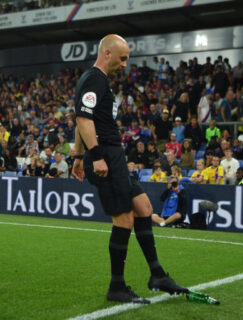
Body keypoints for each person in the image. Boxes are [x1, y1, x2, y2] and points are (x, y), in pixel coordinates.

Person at [71, 34, 187, 304]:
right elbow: (82, 118)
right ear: (108, 53)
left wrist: (77, 156)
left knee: (144, 208)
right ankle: (117, 287)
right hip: (105, 158)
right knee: (124, 218)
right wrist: (95, 156)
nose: (125, 64)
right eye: (122, 58)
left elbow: (82, 119)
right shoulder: (95, 78)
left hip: (111, 156)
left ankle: (157, 274)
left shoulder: (98, 81)